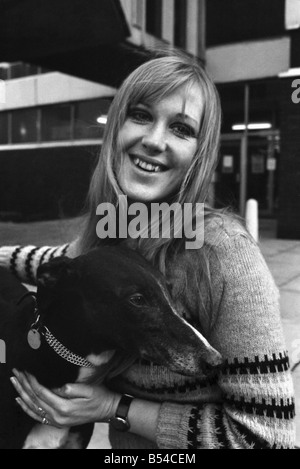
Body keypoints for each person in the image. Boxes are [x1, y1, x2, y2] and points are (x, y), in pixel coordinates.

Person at [0, 52, 296, 449]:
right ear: (116, 126)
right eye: (140, 115)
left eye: (181, 128)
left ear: (199, 152)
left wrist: (114, 408)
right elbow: (60, 264)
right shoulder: (116, 226)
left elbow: (268, 438)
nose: (154, 141)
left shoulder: (225, 252)